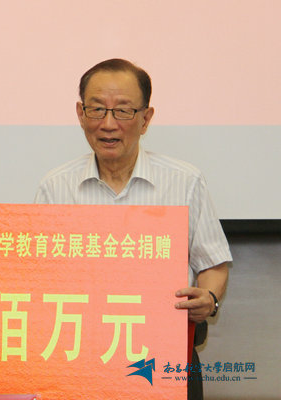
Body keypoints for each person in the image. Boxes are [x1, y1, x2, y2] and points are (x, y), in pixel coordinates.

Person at [34, 58, 230, 400]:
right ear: (80, 114)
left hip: (166, 357)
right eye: (97, 109)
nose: (108, 124)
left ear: (146, 119)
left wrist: (209, 298)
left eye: (123, 111)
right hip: (78, 361)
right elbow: (35, 277)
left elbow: (213, 263)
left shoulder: (184, 181)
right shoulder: (55, 187)